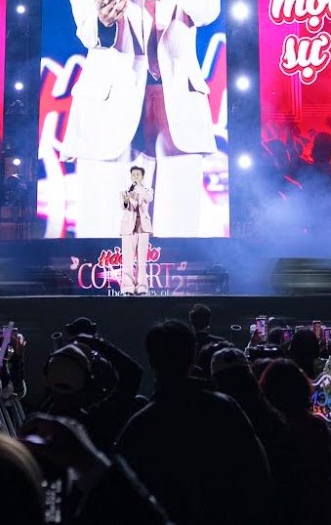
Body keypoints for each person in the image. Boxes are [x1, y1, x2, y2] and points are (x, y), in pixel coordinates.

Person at [63, 0, 222, 238]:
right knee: (103, 226)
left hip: (175, 103)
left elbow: (204, 11)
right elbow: (88, 31)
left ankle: (174, 279)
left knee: (178, 227)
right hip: (111, 101)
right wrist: (104, 20)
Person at [116, 319, 272, 525]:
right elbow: (258, 476)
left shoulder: (139, 427)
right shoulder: (224, 409)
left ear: (152, 362)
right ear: (193, 357)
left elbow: (123, 502)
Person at [120, 166, 155, 295]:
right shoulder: (125, 191)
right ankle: (127, 287)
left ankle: (142, 287)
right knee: (127, 261)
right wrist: (127, 198)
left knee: (142, 261)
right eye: (133, 175)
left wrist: (139, 188)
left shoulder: (147, 190)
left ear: (142, 177)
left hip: (143, 228)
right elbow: (124, 206)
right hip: (128, 228)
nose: (135, 177)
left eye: (138, 175)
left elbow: (148, 199)